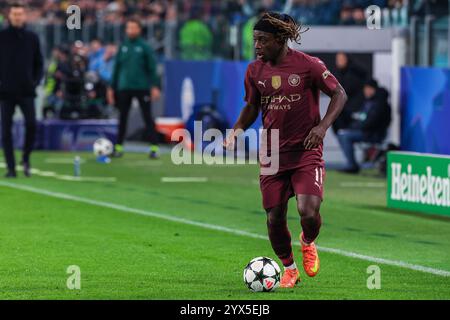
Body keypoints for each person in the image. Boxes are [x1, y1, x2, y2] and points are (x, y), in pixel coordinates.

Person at [224, 12, 347, 288]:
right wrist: (235, 130)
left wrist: (322, 127)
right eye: (255, 40)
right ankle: (289, 269)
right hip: (272, 154)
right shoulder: (254, 70)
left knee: (308, 212)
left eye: (262, 40)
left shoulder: (309, 65)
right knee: (274, 217)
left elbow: (340, 94)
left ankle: (307, 241)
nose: (256, 45)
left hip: (305, 150)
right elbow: (252, 106)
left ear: (280, 39)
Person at [0, 2, 43, 178]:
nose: (17, 17)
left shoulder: (32, 38)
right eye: (14, 14)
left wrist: (34, 82)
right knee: (6, 130)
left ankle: (25, 157)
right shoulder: (1, 37)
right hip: (5, 92)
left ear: (25, 16)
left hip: (26, 91)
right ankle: (11, 167)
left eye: (20, 14)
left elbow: (39, 64)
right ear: (9, 16)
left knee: (32, 125)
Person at [108, 18, 161, 158]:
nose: (130, 30)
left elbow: (152, 68)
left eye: (133, 27)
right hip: (124, 87)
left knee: (147, 117)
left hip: (142, 87)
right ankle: (118, 147)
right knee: (123, 117)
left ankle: (154, 147)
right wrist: (111, 87)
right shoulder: (123, 46)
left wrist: (155, 86)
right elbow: (116, 68)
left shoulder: (144, 47)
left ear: (139, 29)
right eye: (128, 27)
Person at [336, 79, 391, 174]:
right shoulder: (369, 102)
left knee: (345, 136)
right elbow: (362, 118)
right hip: (366, 132)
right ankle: (352, 163)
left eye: (368, 89)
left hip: (373, 134)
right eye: (365, 89)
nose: (366, 91)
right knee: (342, 133)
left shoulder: (379, 104)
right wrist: (353, 127)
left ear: (373, 89)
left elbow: (371, 122)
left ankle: (352, 165)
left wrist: (356, 127)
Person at [332, 52, 367, 134]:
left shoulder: (353, 74)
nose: (339, 62)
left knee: (345, 132)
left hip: (353, 108)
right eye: (337, 60)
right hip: (345, 108)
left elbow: (347, 90)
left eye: (341, 59)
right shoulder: (339, 74)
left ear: (347, 60)